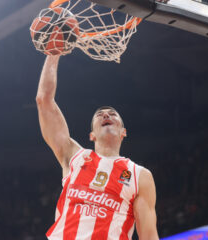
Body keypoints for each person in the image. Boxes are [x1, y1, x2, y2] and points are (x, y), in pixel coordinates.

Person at [36, 55, 159, 240]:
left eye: (112, 114)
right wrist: (54, 53)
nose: (106, 115)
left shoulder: (139, 175)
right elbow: (44, 100)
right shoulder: (74, 156)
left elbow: (149, 236)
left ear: (123, 131)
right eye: (99, 114)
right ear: (91, 135)